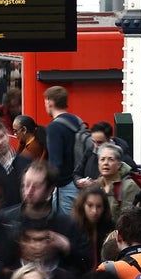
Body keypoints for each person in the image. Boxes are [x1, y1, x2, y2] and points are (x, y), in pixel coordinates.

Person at [44, 85, 87, 214]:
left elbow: (55, 163)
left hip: (65, 186)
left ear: (50, 102)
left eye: (45, 102)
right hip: (81, 182)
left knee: (67, 227)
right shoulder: (77, 120)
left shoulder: (54, 127)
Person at [70, 186, 114, 272]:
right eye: (90, 205)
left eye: (99, 206)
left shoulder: (110, 228)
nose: (94, 211)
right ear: (82, 205)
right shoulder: (73, 227)